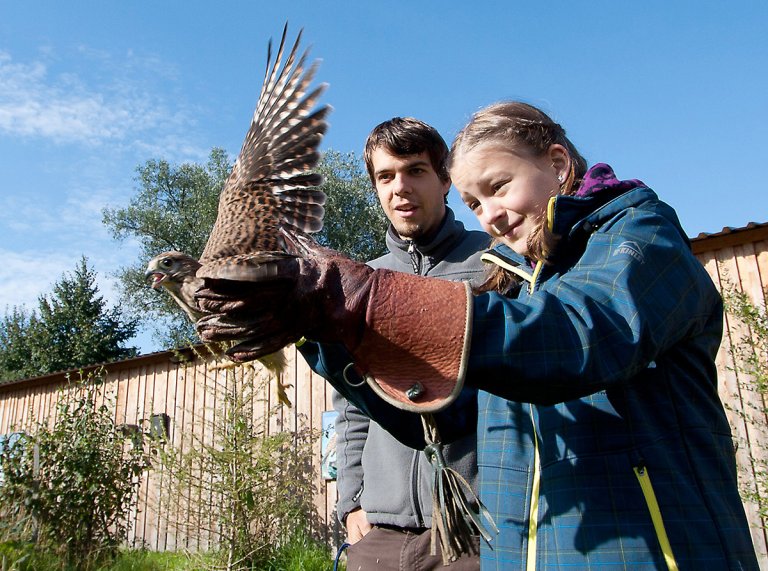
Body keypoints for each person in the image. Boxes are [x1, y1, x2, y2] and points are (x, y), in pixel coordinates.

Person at [196, 101, 759, 569]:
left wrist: (359, 299)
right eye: (475, 202)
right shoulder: (510, 282)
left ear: (558, 164)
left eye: (499, 186)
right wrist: (321, 335)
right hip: (523, 552)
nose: (490, 214)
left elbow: (580, 337)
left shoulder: (640, 238)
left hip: (652, 550)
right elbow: (444, 419)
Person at [329, 117, 488, 570]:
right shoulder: (359, 283)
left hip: (475, 527)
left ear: (445, 181)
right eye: (385, 176)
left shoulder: (495, 264)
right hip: (380, 529)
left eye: (415, 170)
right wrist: (352, 501)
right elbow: (352, 407)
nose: (400, 187)